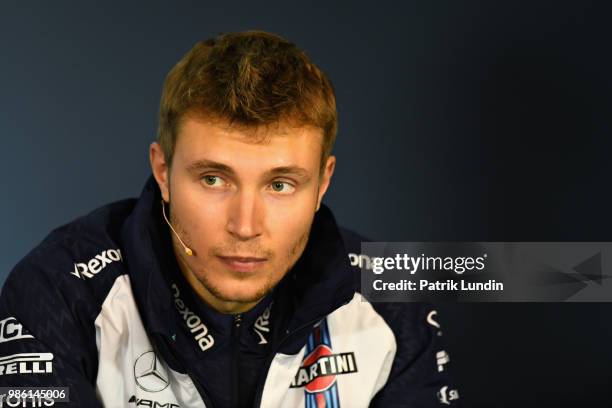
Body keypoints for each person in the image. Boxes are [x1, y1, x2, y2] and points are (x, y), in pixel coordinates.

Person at [0, 31, 459, 407]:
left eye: (280, 185)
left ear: (322, 184)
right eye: (214, 180)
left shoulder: (392, 299)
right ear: (163, 172)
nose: (245, 226)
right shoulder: (58, 291)